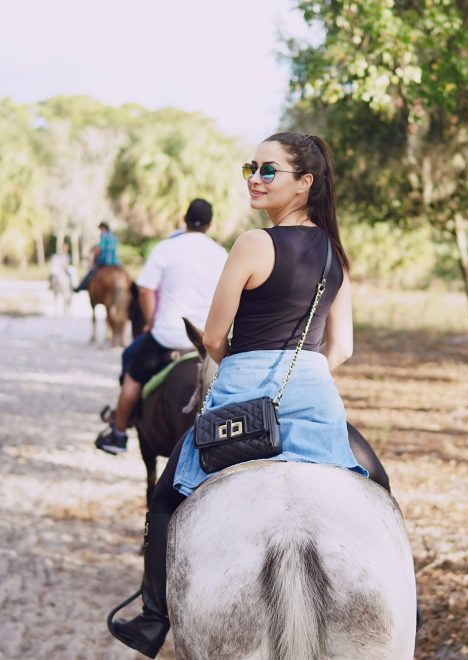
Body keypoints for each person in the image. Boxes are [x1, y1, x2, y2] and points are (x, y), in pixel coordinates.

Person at [106, 133, 394, 658]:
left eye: (268, 171)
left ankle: (152, 619)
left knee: (168, 495)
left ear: (305, 183)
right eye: (251, 168)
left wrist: (250, 362)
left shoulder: (252, 244)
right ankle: (406, 602)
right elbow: (343, 348)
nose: (254, 179)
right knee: (378, 483)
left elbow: (214, 339)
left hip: (241, 391)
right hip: (312, 392)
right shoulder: (335, 253)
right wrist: (304, 370)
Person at [95, 199, 228, 455]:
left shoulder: (166, 249)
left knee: (131, 367)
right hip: (207, 343)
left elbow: (145, 289)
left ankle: (119, 432)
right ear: (210, 225)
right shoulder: (220, 254)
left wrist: (150, 320)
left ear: (184, 219)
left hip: (167, 338)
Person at [75, 222, 120, 292]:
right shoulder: (113, 237)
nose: (100, 232)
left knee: (92, 272)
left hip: (105, 261)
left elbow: (98, 249)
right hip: (116, 262)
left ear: (103, 228)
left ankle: (81, 286)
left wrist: (94, 252)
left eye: (100, 230)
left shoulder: (104, 236)